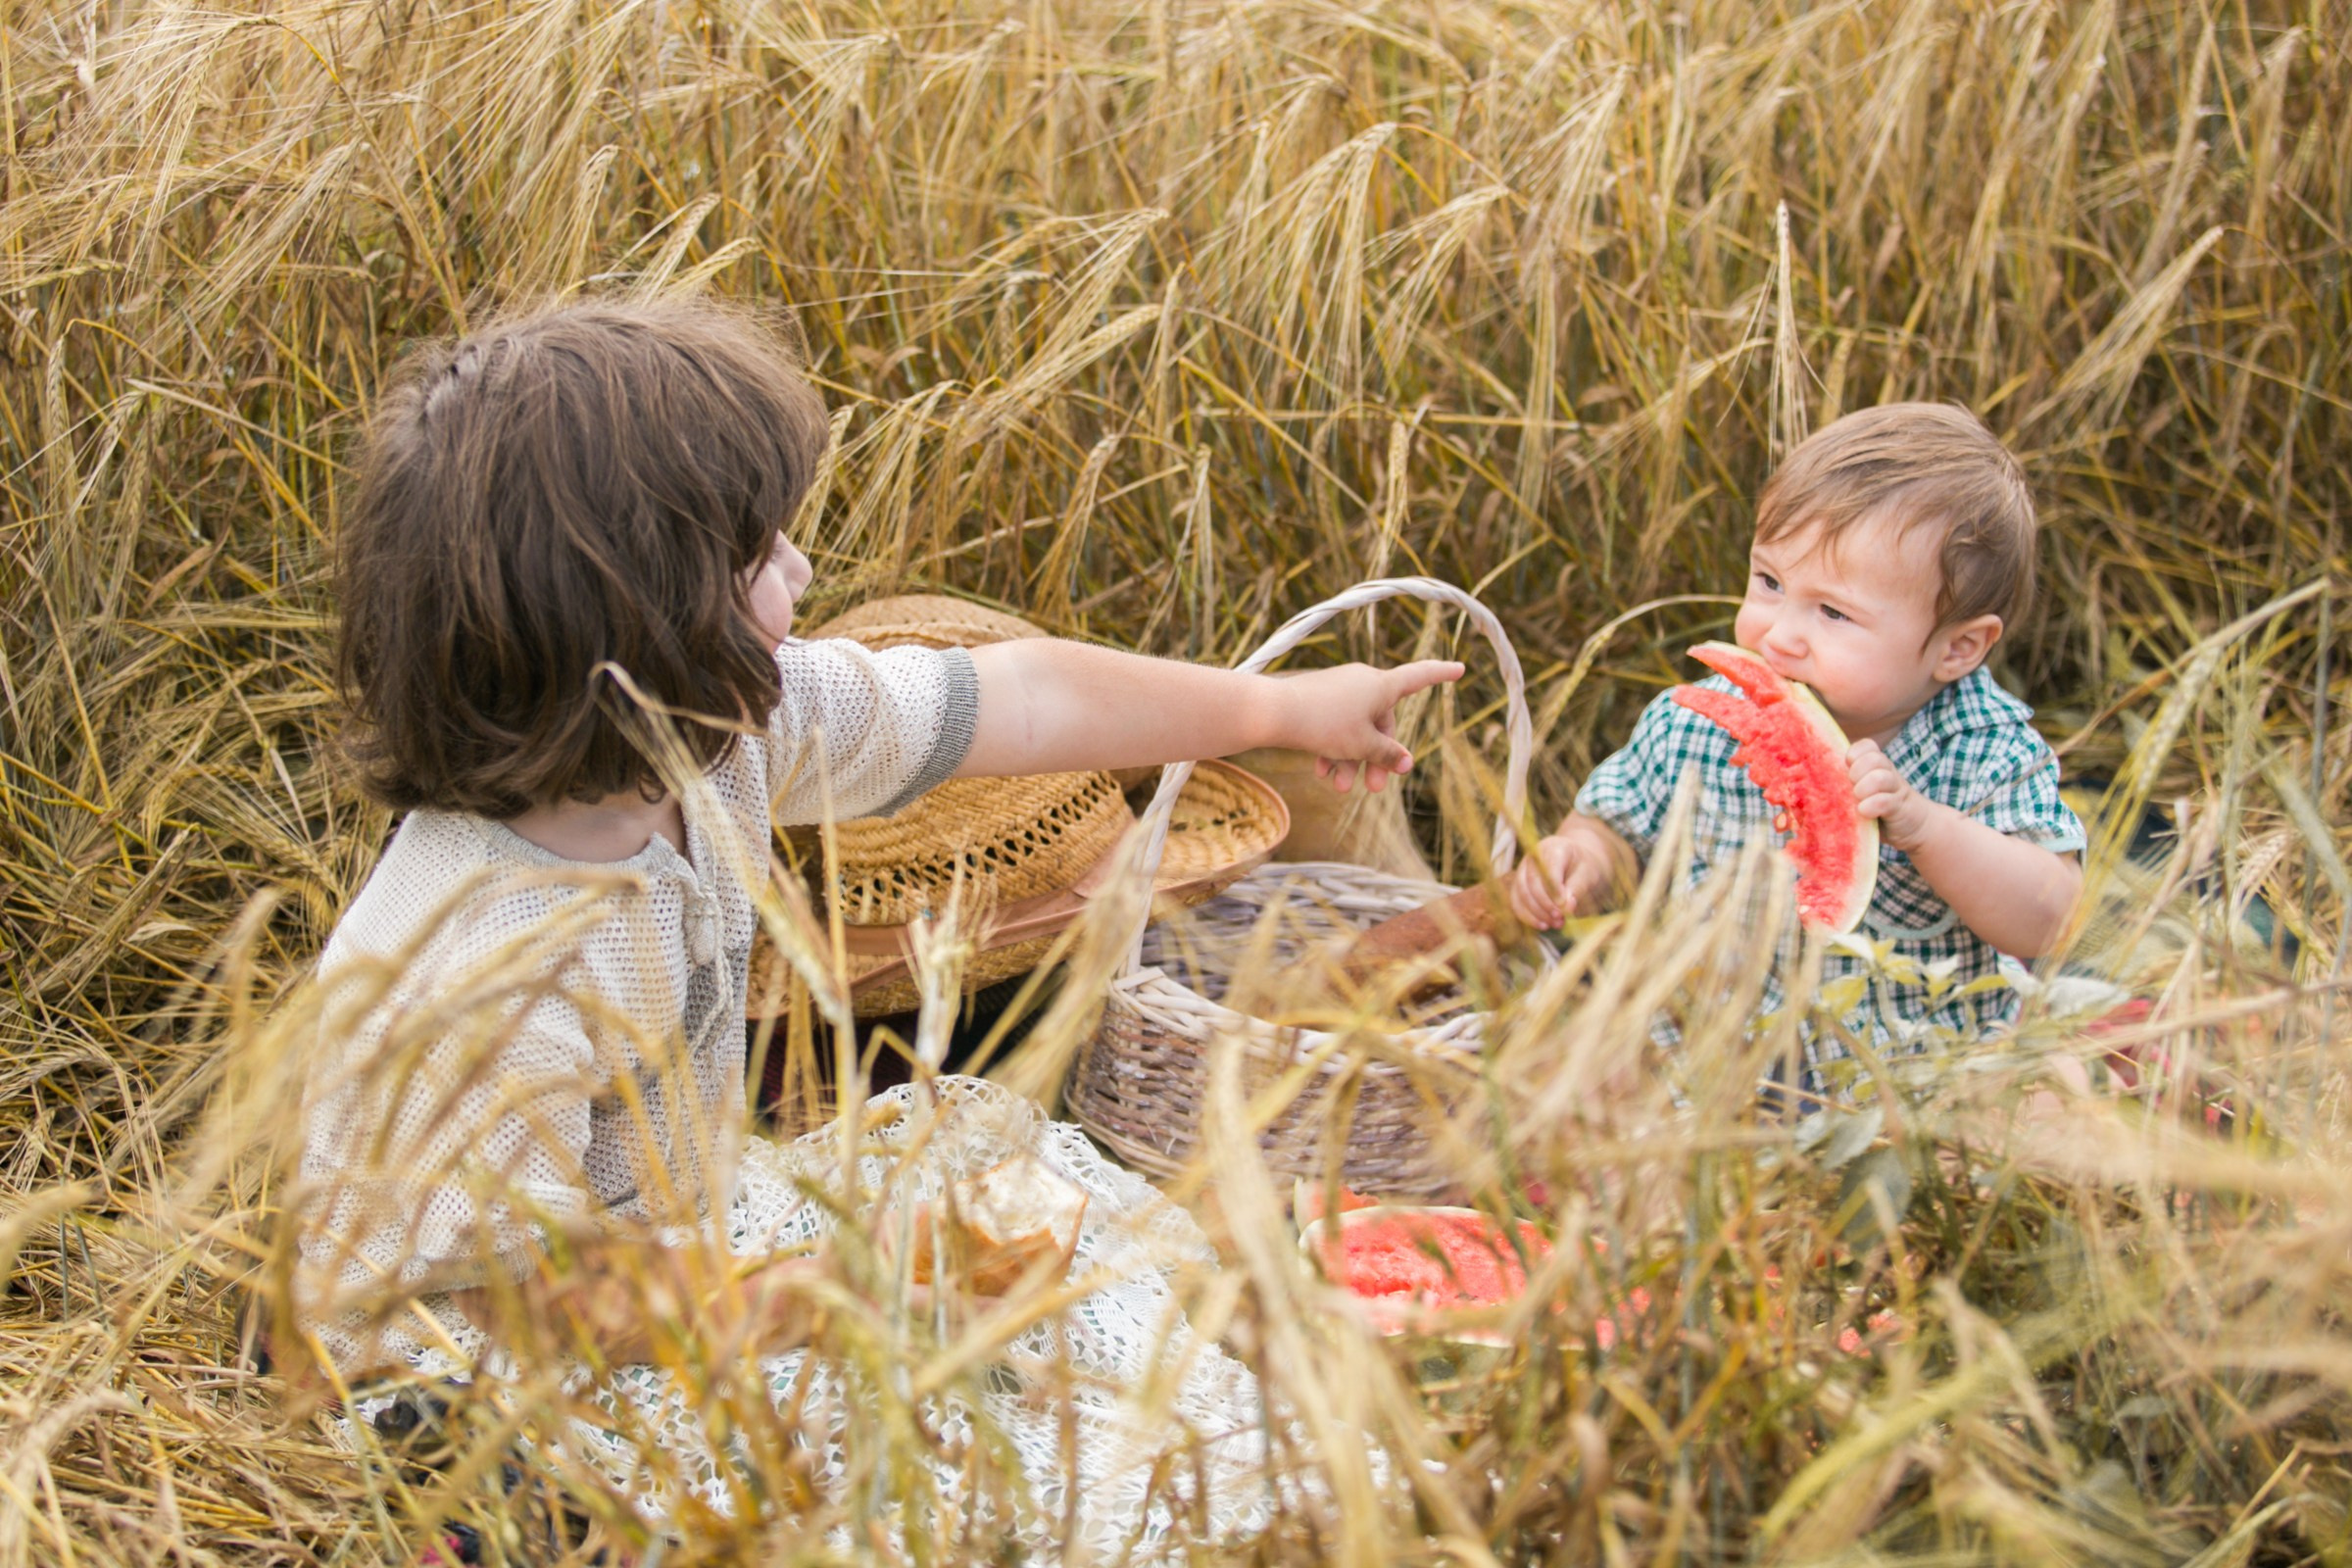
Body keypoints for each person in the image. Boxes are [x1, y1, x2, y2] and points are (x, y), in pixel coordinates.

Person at [295, 295, 1459, 1389]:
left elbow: (1024, 702)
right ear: (647, 622)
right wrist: (835, 1291)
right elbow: (519, 1303)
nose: (803, 570)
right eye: (761, 554)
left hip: (675, 1261)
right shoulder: (485, 966)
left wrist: (1277, 711)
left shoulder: (714, 736)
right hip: (483, 1397)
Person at [1509, 403, 2085, 1088]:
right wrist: (1578, 858)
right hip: (1710, 1075)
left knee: (2035, 1109)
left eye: (1833, 612)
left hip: (1905, 1090)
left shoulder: (1983, 749)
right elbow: (1613, 825)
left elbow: (2053, 920)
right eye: (1769, 582)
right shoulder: (1698, 722)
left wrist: (1928, 830)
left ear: (1958, 648)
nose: (1778, 634)